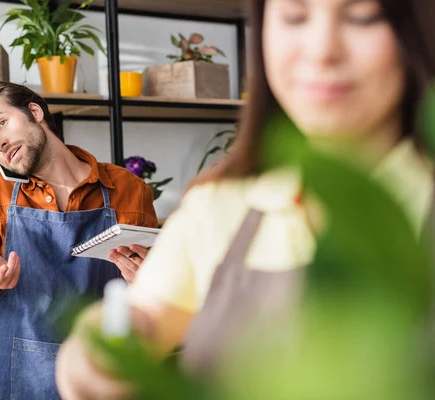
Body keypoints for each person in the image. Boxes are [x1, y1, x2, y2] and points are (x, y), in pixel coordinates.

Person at [56, 0, 435, 397]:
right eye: (294, 16)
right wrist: (93, 352)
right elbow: (144, 314)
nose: (322, 49)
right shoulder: (219, 202)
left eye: (362, 16)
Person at [0, 81, 157, 400]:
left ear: (34, 111)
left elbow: (159, 290)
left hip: (103, 376)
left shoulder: (128, 188)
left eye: (1, 124)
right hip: (19, 379)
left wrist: (147, 278)